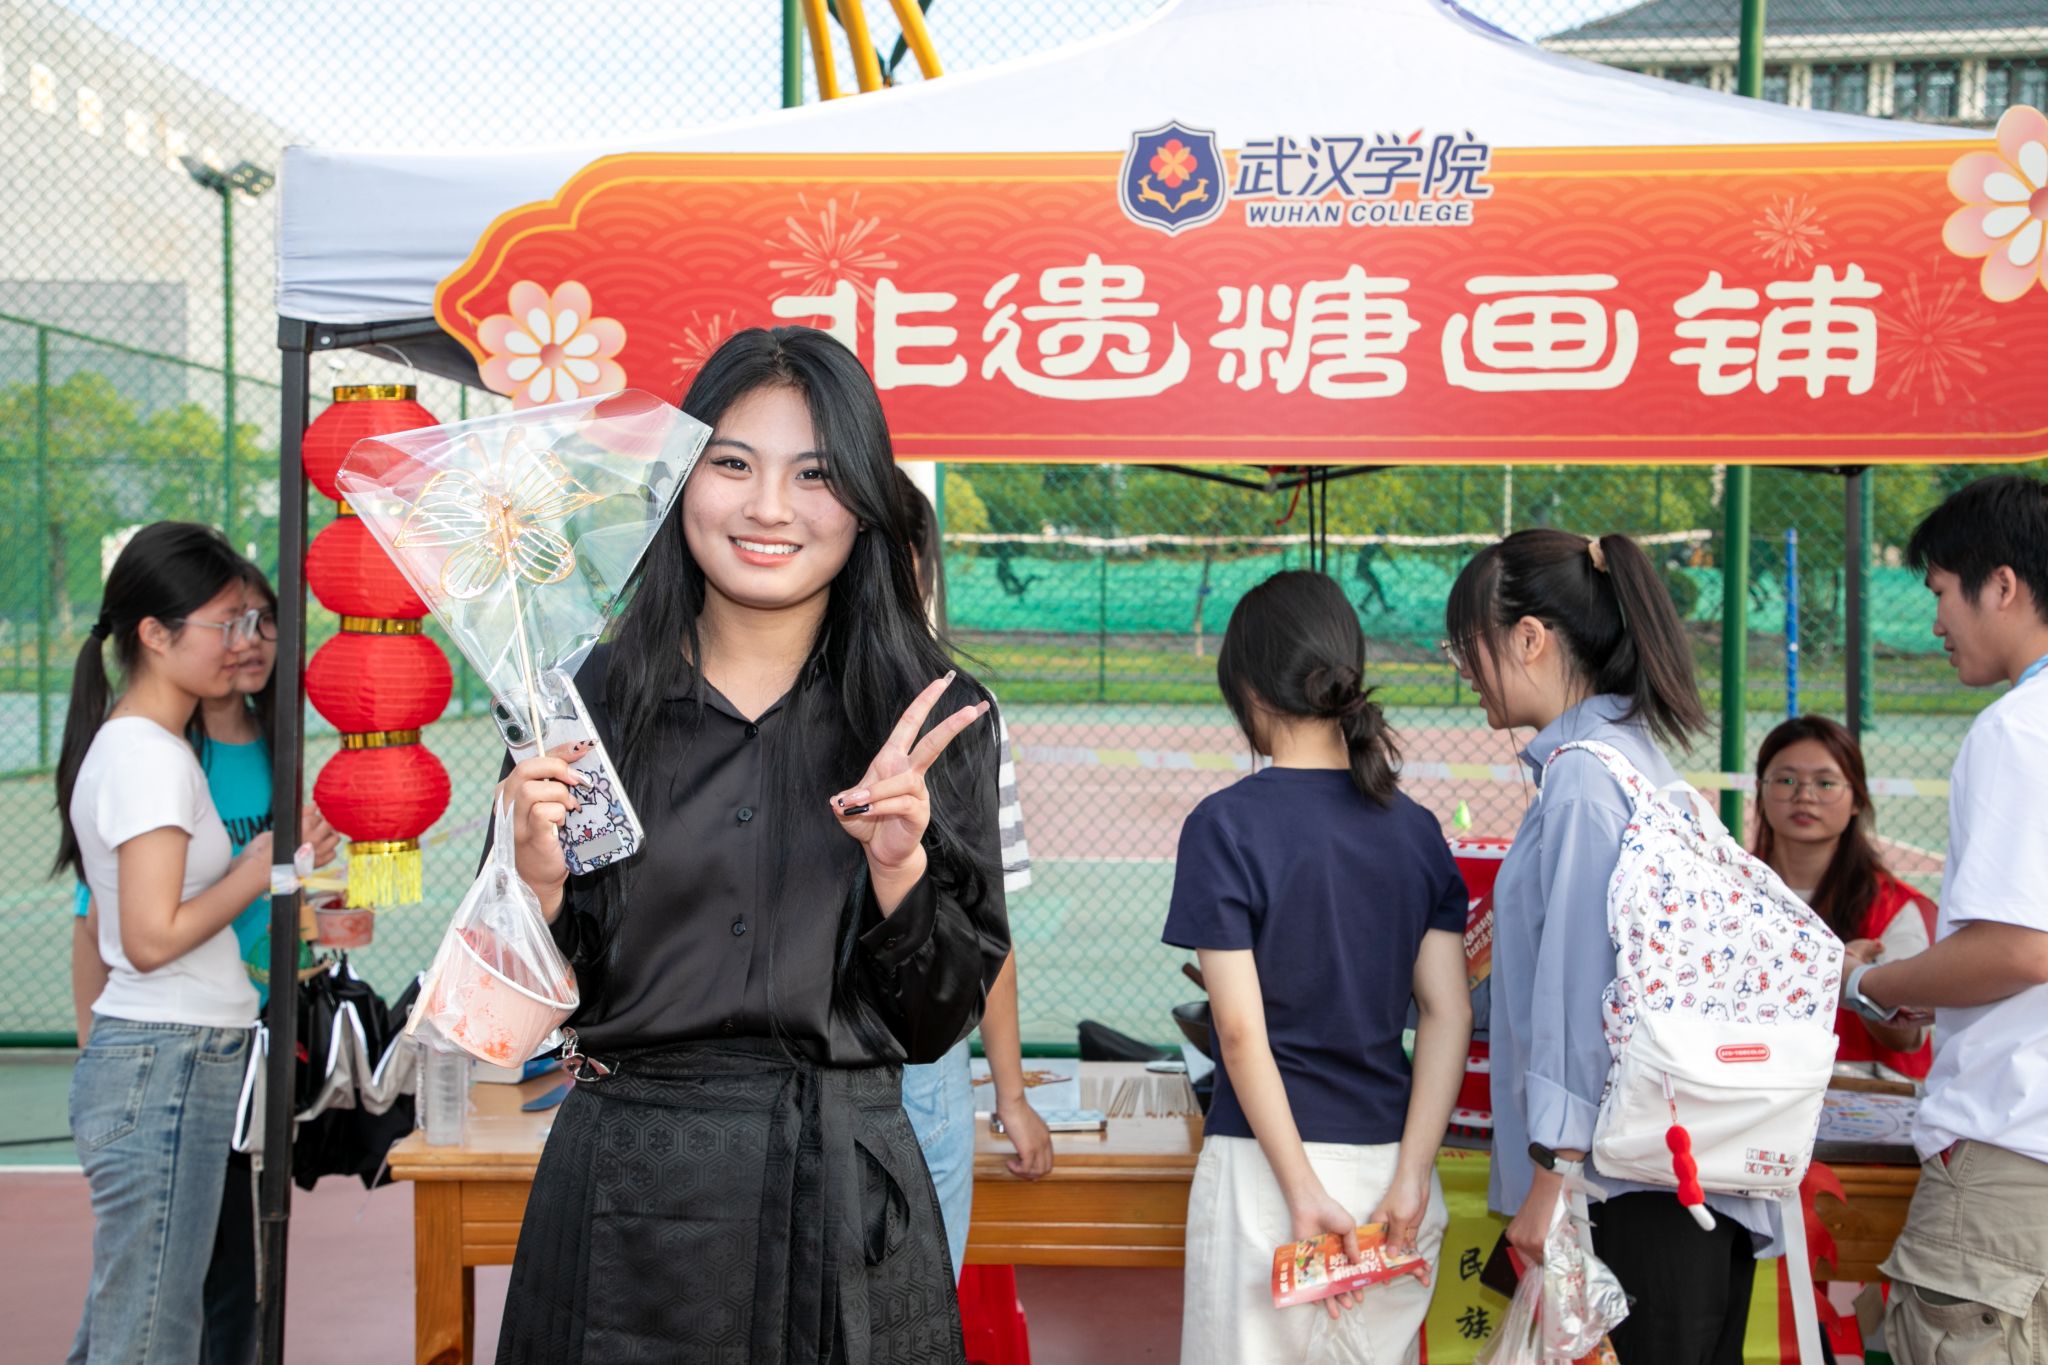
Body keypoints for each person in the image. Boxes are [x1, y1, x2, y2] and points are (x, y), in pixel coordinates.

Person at [491, 327, 1010, 1364]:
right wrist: (532, 883)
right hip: (624, 1196)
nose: (769, 507)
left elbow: (934, 1021)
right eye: (732, 463)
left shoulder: (929, 718)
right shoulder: (579, 705)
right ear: (678, 480)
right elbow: (504, 1022)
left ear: (864, 501)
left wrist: (898, 870)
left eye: (814, 474)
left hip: (842, 1202)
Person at [1445, 528, 1768, 1365]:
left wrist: (1550, 1180)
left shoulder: (1586, 780)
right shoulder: (1634, 763)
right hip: (1668, 1182)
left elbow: (1582, 999)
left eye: (1466, 644)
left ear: (1529, 638)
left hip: (1617, 1195)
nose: (1462, 668)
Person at [1166, 570, 1470, 1365]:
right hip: (1393, 1179)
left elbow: (1239, 1031)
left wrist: (1302, 1191)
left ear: (1247, 690)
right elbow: (1448, 1011)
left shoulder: (1224, 825)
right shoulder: (1417, 830)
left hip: (1268, 1178)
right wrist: (1414, 1174)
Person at [1835, 475, 2048, 1363]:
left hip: (2010, 1164)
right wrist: (1941, 983)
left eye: (1939, 592)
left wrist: (1870, 981)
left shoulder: (2017, 729)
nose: (1934, 622)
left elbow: (2020, 948)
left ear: (2001, 585)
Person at [55, 522, 276, 1364]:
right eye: (226, 624)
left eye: (251, 622)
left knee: (137, 1320)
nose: (243, 642)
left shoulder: (149, 746)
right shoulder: (149, 756)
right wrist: (259, 870)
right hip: (167, 1060)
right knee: (151, 1334)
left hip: (173, 1057)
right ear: (154, 633)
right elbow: (148, 938)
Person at [894, 471, 1052, 1282]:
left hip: (885, 1063)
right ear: (922, 564)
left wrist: (1012, 1094)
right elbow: (988, 932)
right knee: (915, 1312)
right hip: (921, 1059)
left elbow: (984, 928)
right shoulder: (968, 706)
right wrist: (1011, 1095)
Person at [1751, 714, 1935, 1084]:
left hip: (1867, 1100)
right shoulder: (1729, 894)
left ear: (1856, 800)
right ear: (1761, 792)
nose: (1804, 795)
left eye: (1825, 783)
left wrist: (1858, 980)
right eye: (1786, 780)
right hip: (1756, 1089)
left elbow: (1907, 1040)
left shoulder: (1896, 909)